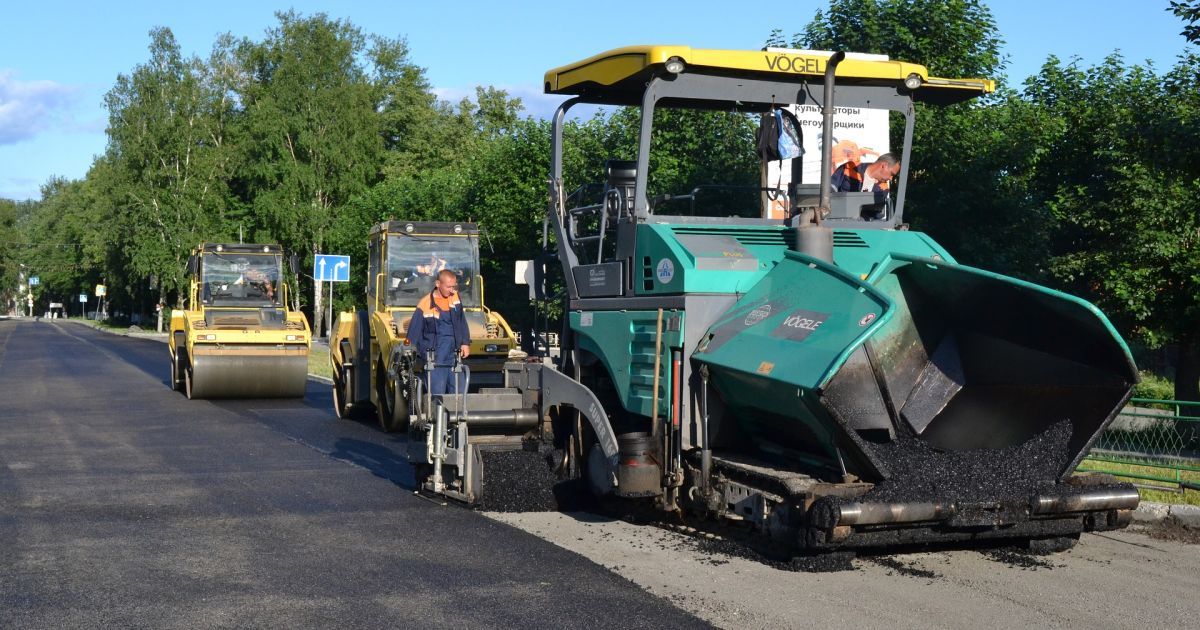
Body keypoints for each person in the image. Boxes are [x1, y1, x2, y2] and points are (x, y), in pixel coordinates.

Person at [407, 269, 471, 398]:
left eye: (454, 286)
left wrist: (465, 343)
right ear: (438, 284)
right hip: (435, 358)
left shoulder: (455, 298)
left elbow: (461, 321)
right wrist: (410, 353)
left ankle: (457, 417)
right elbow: (414, 332)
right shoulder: (425, 304)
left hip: (454, 356)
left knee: (459, 393)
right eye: (448, 286)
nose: (452, 290)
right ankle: (436, 418)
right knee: (437, 395)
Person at [830, 152, 900, 204]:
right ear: (884, 166)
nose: (891, 178)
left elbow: (876, 216)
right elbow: (830, 188)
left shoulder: (883, 189)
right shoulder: (850, 168)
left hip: (862, 223)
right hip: (836, 220)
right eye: (892, 174)